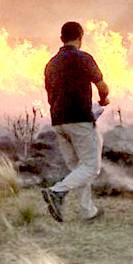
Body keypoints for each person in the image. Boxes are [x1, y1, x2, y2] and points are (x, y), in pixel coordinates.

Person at [42, 22, 110, 222]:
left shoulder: (51, 63)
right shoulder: (83, 58)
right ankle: (56, 192)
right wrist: (103, 100)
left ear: (61, 38)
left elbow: (49, 95)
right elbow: (102, 86)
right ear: (81, 38)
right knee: (91, 167)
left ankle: (88, 212)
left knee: (78, 169)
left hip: (58, 121)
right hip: (79, 119)